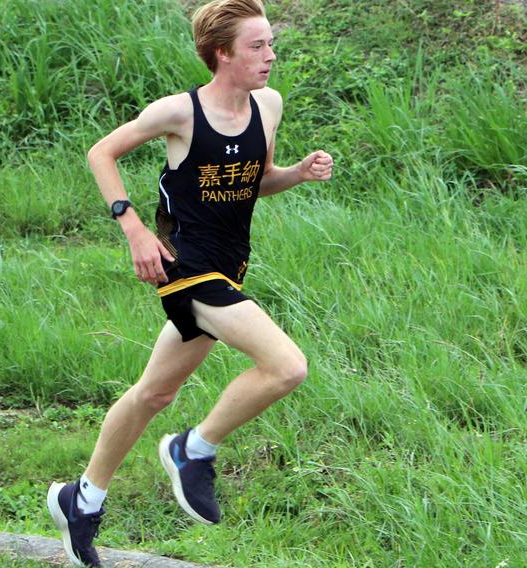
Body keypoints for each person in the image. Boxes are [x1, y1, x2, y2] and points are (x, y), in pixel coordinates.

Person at [46, 0, 333, 565]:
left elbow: (255, 182)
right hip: (185, 266)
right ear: (222, 54)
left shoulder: (268, 106)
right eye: (257, 46)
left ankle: (82, 498)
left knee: (154, 392)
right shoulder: (179, 113)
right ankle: (191, 449)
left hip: (229, 266)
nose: (270, 56)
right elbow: (101, 152)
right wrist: (131, 227)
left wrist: (295, 175)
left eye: (270, 44)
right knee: (287, 366)